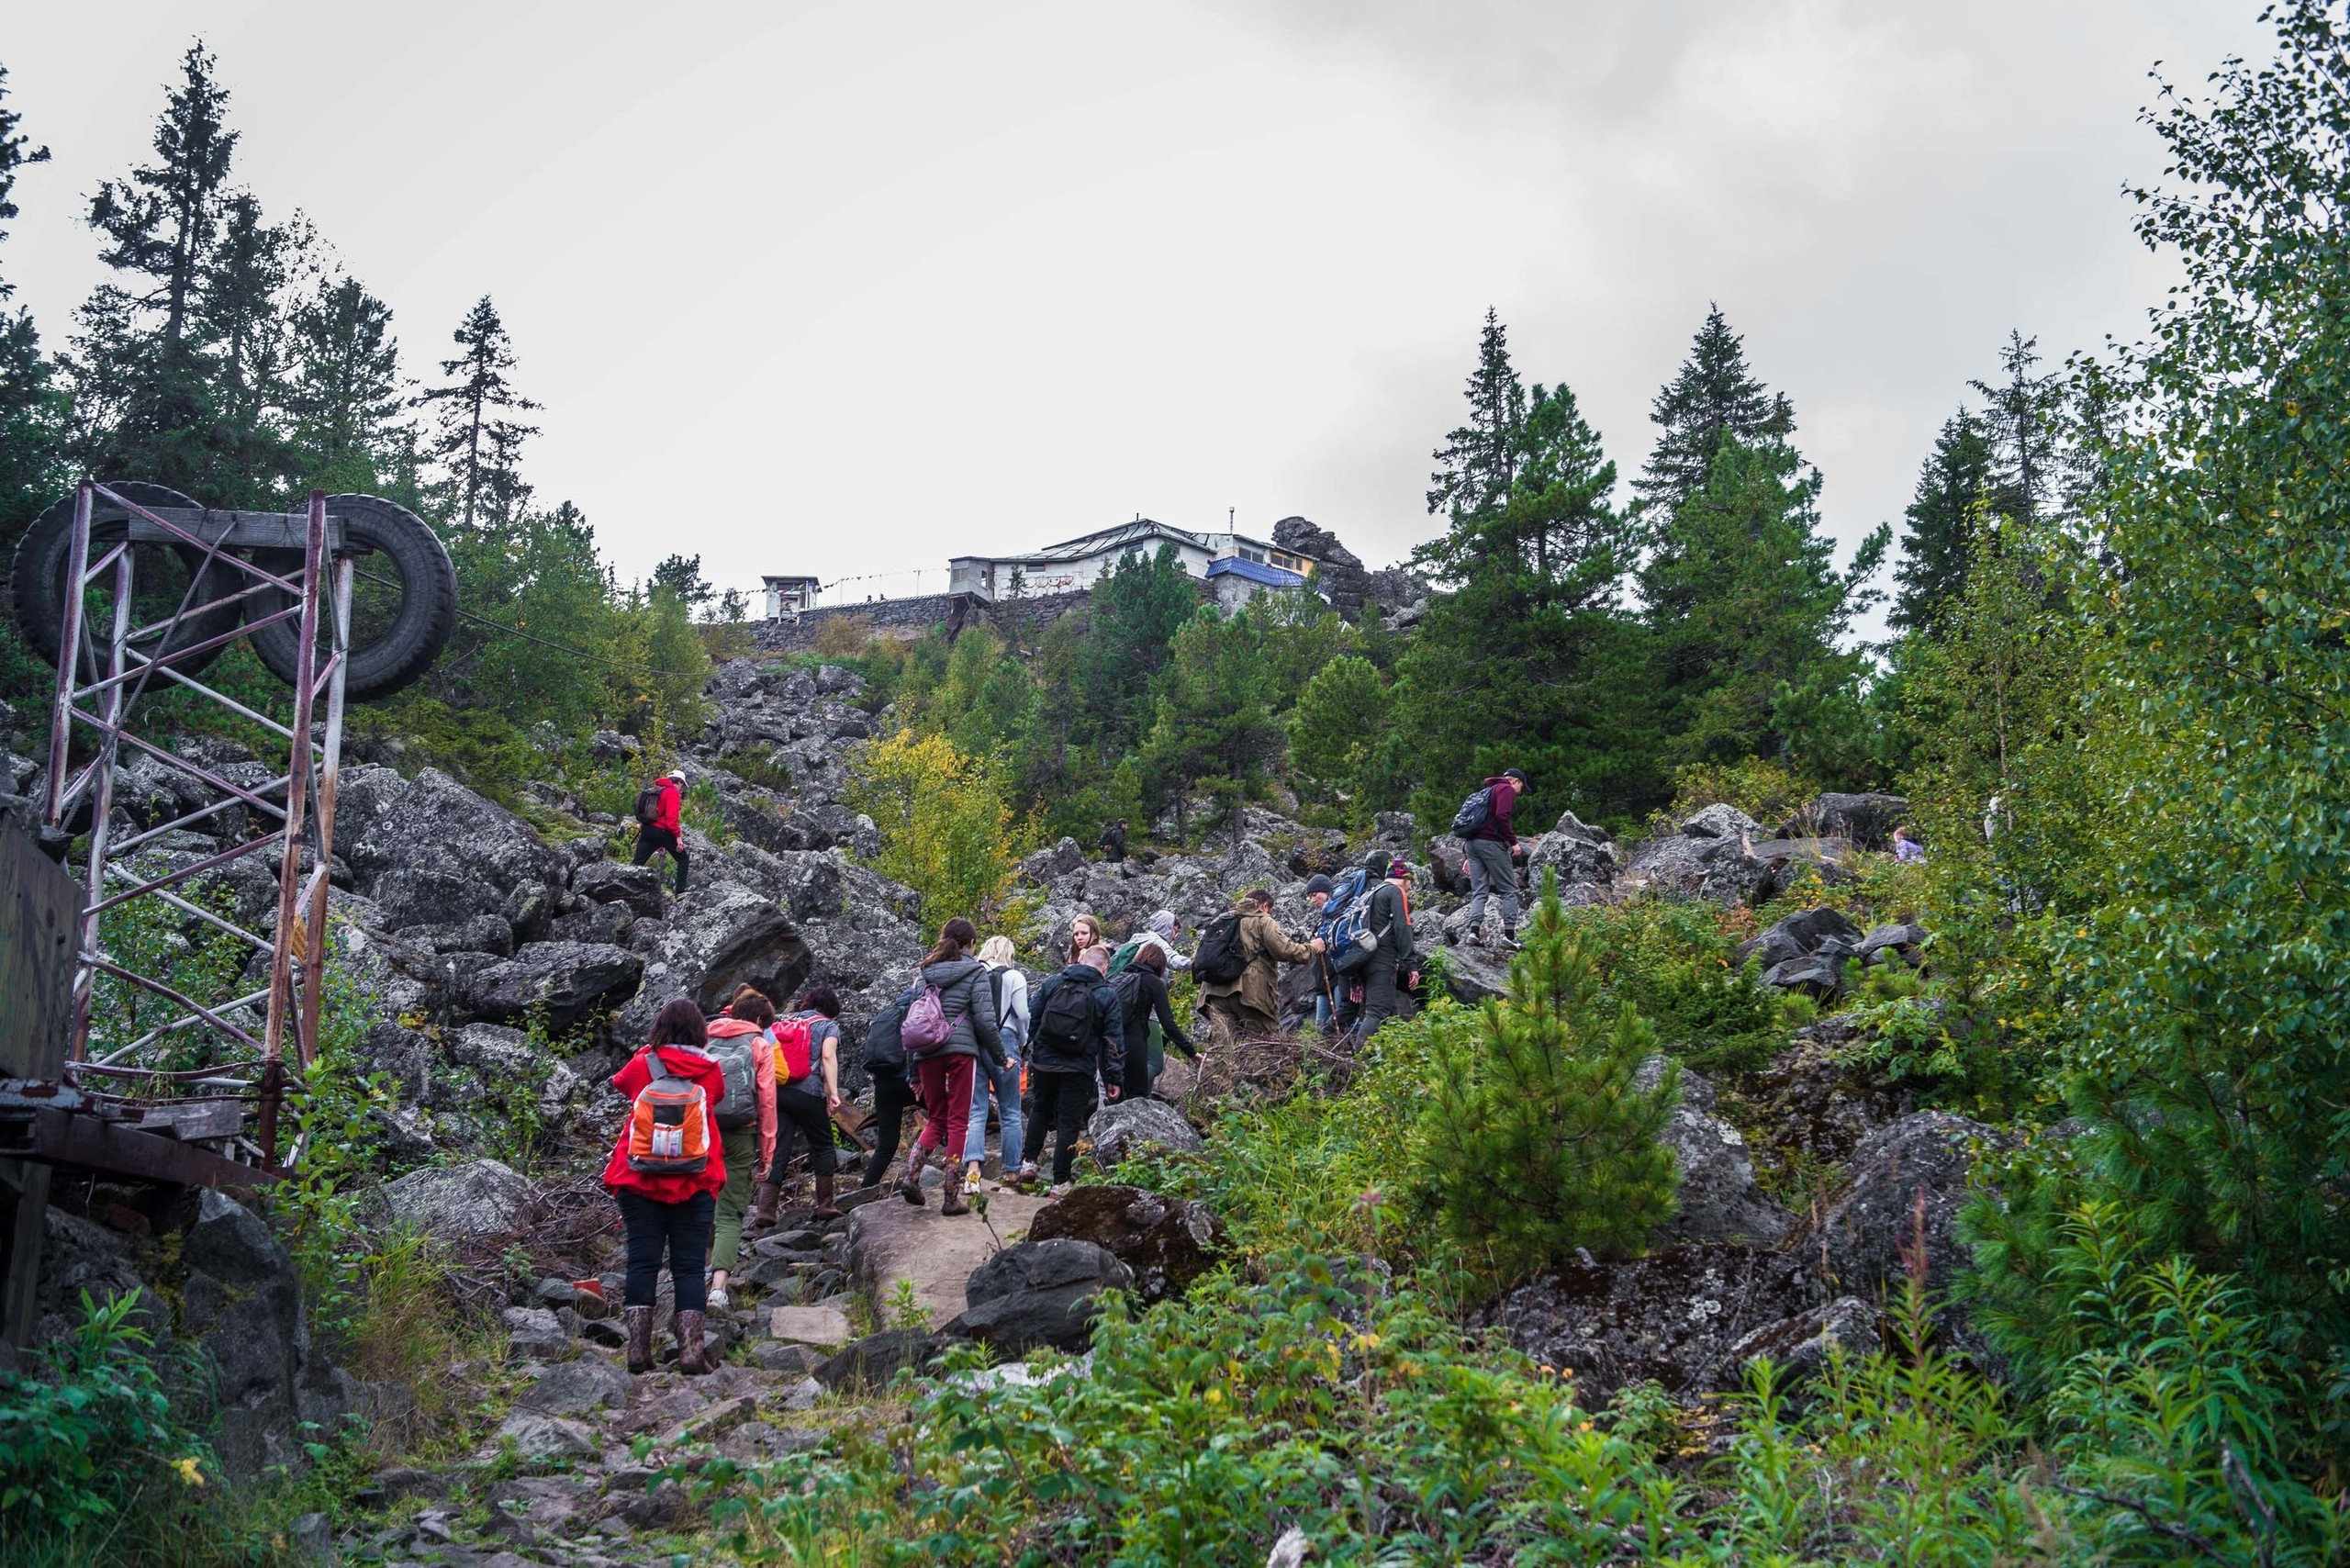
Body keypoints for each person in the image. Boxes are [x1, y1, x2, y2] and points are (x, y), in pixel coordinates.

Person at [602, 997, 728, 1375]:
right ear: (699, 1032)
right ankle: (691, 1351)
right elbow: (717, 1099)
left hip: (638, 1178)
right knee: (689, 1267)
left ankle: (638, 1350)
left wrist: (650, 1056)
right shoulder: (710, 1070)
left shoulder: (644, 1063)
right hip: (695, 1178)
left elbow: (622, 1085)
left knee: (642, 1261)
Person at [895, 918, 1006, 1216]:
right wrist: (1001, 1056)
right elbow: (985, 1021)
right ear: (971, 944)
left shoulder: (925, 974)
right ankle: (950, 1196)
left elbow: (912, 1025)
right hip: (960, 1052)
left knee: (935, 1119)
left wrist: (913, 1072)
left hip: (927, 1053)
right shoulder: (975, 971)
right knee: (958, 1121)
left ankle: (910, 1177)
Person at [1021, 944, 1125, 1193]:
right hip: (1079, 1065)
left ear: (1079, 960)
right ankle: (1060, 1182)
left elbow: (1032, 1018)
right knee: (1069, 1121)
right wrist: (1114, 1077)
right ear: (1105, 968)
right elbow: (1113, 1040)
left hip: (1045, 1060)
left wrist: (1026, 1051)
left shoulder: (1054, 982)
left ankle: (1028, 1163)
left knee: (1041, 1108)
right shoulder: (1107, 994)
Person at [703, 989, 780, 1311]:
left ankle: (698, 1270)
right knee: (732, 1209)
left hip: (703, 1128)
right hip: (741, 1132)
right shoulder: (760, 1046)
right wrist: (767, 1152)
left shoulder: (706, 1039)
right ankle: (718, 1288)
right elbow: (766, 1101)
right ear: (760, 1020)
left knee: (703, 1200)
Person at [1199, 887, 1322, 1045]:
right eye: (1270, 910)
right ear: (1264, 906)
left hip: (1214, 994)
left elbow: (1199, 957)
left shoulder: (1220, 921)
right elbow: (1284, 950)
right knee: (1261, 1048)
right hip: (1249, 993)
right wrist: (1312, 948)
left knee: (1224, 1051)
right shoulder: (1263, 920)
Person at [963, 935, 1028, 1195]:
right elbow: (1022, 1014)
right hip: (1006, 1040)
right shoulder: (1014, 977)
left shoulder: (972, 974)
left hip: (974, 1044)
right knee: (1010, 1111)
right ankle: (1011, 1174)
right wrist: (1022, 1041)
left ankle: (972, 1172)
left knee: (976, 1110)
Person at [1352, 853, 1423, 1043]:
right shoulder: (1395, 892)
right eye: (1411, 882)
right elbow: (1402, 927)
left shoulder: (1371, 893)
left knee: (1384, 1011)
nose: (1410, 887)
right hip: (1382, 962)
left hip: (1364, 961)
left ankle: (1387, 1060)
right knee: (1376, 1012)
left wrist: (1354, 979)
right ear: (1405, 878)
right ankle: (1358, 1063)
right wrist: (1411, 965)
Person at [1112, 944, 1196, 1102]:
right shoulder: (1154, 982)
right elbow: (1168, 1024)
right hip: (1135, 1045)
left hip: (1110, 1044)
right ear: (1161, 965)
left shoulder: (1119, 977)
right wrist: (1191, 1052)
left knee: (1114, 1098)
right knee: (1137, 1099)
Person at [859, 982, 921, 1190]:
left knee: (886, 1145)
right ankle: (948, 1173)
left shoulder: (886, 1013)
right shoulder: (920, 1010)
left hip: (883, 1082)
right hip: (910, 1081)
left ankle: (866, 1189)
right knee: (945, 1121)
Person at [1458, 767, 1528, 950]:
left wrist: (1468, 853)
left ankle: (1473, 933)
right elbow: (1501, 816)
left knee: (1479, 890)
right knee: (1509, 889)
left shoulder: (1486, 791)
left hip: (1473, 844)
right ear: (1516, 781)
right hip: (1491, 843)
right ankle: (1509, 936)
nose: (1519, 792)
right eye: (1521, 787)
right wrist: (1513, 843)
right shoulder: (1506, 789)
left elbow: (1475, 821)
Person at [632, 767, 690, 894]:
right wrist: (678, 838)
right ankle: (680, 893)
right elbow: (671, 820)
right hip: (662, 832)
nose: (682, 789)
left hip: (647, 831)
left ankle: (625, 889)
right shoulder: (672, 792)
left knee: (636, 864)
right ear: (679, 782)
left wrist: (659, 843)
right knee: (683, 859)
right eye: (682, 785)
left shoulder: (655, 790)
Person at [1300, 875, 1337, 1031]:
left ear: (1327, 892)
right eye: (1310, 897)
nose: (1312, 900)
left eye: (1315, 895)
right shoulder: (1322, 920)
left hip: (1338, 978)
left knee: (1342, 1021)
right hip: (1322, 981)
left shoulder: (1338, 916)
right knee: (1322, 1028)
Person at [1135, 909, 1191, 973]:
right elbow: (1172, 960)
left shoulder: (1139, 940)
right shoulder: (1157, 943)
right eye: (1175, 931)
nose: (1174, 938)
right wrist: (1193, 963)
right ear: (1167, 927)